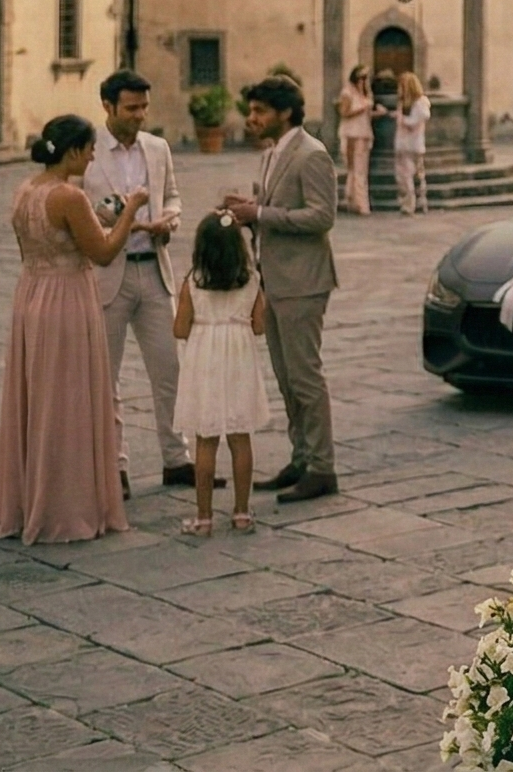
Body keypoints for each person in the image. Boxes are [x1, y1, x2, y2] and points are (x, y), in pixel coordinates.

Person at [0, 115, 143, 544]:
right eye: (90, 149)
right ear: (74, 151)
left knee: (38, 398)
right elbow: (104, 252)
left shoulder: (25, 190)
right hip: (68, 300)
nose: (94, 156)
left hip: (32, 295)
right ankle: (65, 506)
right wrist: (129, 210)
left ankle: (30, 500)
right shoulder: (69, 196)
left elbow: (39, 242)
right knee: (70, 400)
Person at [221, 77, 341, 503]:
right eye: (251, 111)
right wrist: (249, 210)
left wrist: (261, 213)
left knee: (305, 377)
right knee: (287, 378)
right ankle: (301, 457)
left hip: (304, 280)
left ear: (285, 112)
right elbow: (277, 208)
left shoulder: (312, 155)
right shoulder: (273, 153)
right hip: (273, 278)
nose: (251, 119)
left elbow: (322, 216)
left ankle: (323, 468)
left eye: (259, 112)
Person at [81, 70, 195, 496]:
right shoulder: (88, 151)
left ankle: (176, 458)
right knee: (105, 377)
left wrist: (171, 219)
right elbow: (79, 208)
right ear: (108, 107)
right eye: (132, 108)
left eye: (144, 107)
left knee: (170, 369)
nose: (140, 116)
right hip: (108, 272)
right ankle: (115, 466)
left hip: (154, 268)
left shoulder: (158, 147)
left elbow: (174, 196)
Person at [173, 212, 272, 536]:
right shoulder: (253, 280)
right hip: (239, 359)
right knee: (241, 437)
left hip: (206, 360)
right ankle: (242, 513)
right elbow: (259, 326)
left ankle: (203, 518)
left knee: (206, 438)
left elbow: (179, 328)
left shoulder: (192, 281)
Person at [334, 66, 381, 215]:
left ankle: (354, 201)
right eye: (361, 78)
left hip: (364, 132)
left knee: (361, 169)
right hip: (352, 134)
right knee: (355, 169)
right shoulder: (347, 92)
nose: (363, 81)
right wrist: (363, 107)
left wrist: (378, 113)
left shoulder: (365, 93)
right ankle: (360, 204)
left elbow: (365, 114)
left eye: (366, 78)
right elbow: (344, 112)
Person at [392, 71, 431, 215]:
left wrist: (401, 119)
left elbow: (416, 121)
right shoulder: (404, 102)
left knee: (411, 176)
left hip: (412, 145)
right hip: (405, 144)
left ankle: (413, 204)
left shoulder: (420, 103)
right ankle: (414, 202)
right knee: (406, 176)